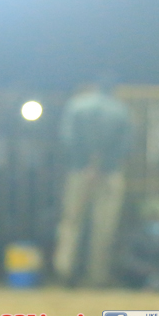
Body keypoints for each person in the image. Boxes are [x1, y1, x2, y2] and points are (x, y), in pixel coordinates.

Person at [52, 81, 132, 287]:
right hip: (109, 173)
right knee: (103, 227)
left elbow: (67, 138)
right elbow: (125, 145)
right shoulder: (121, 110)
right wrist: (102, 165)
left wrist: (85, 164)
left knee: (71, 222)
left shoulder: (76, 105)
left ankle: (65, 271)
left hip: (79, 172)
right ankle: (97, 276)